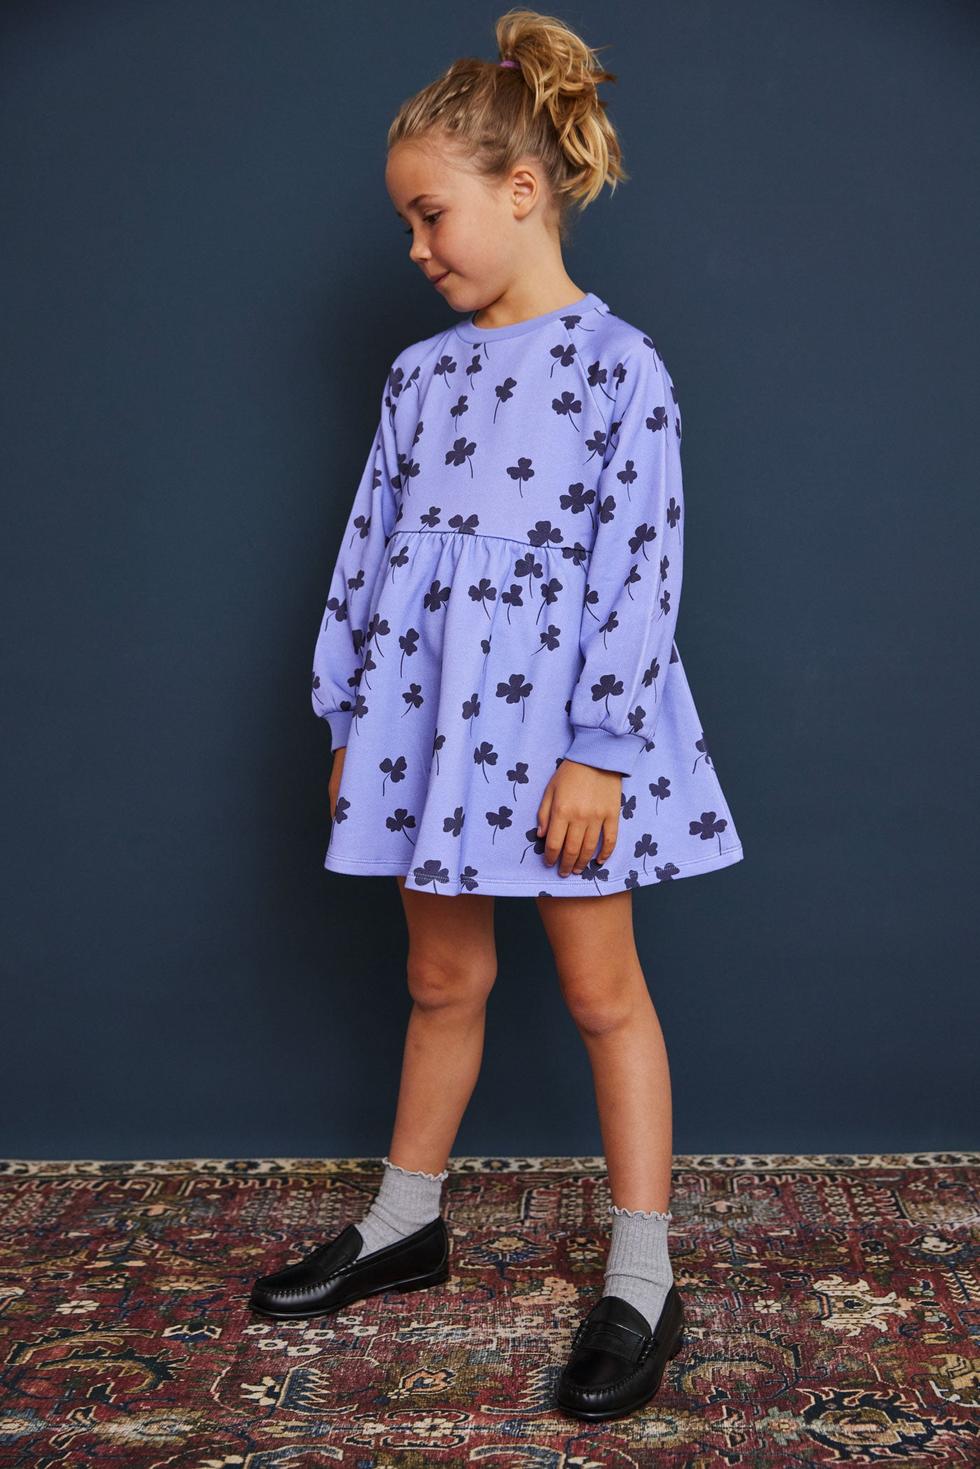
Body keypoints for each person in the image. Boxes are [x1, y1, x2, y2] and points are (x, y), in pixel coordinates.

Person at [250, 7, 745, 1422]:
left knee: (601, 994)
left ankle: (641, 1274)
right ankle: (406, 1221)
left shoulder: (618, 367)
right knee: (440, 979)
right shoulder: (419, 377)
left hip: (561, 738)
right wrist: (351, 718)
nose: (417, 247)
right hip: (426, 727)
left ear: (522, 189)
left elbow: (642, 569)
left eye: (431, 215)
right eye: (406, 223)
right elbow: (369, 551)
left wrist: (599, 748)